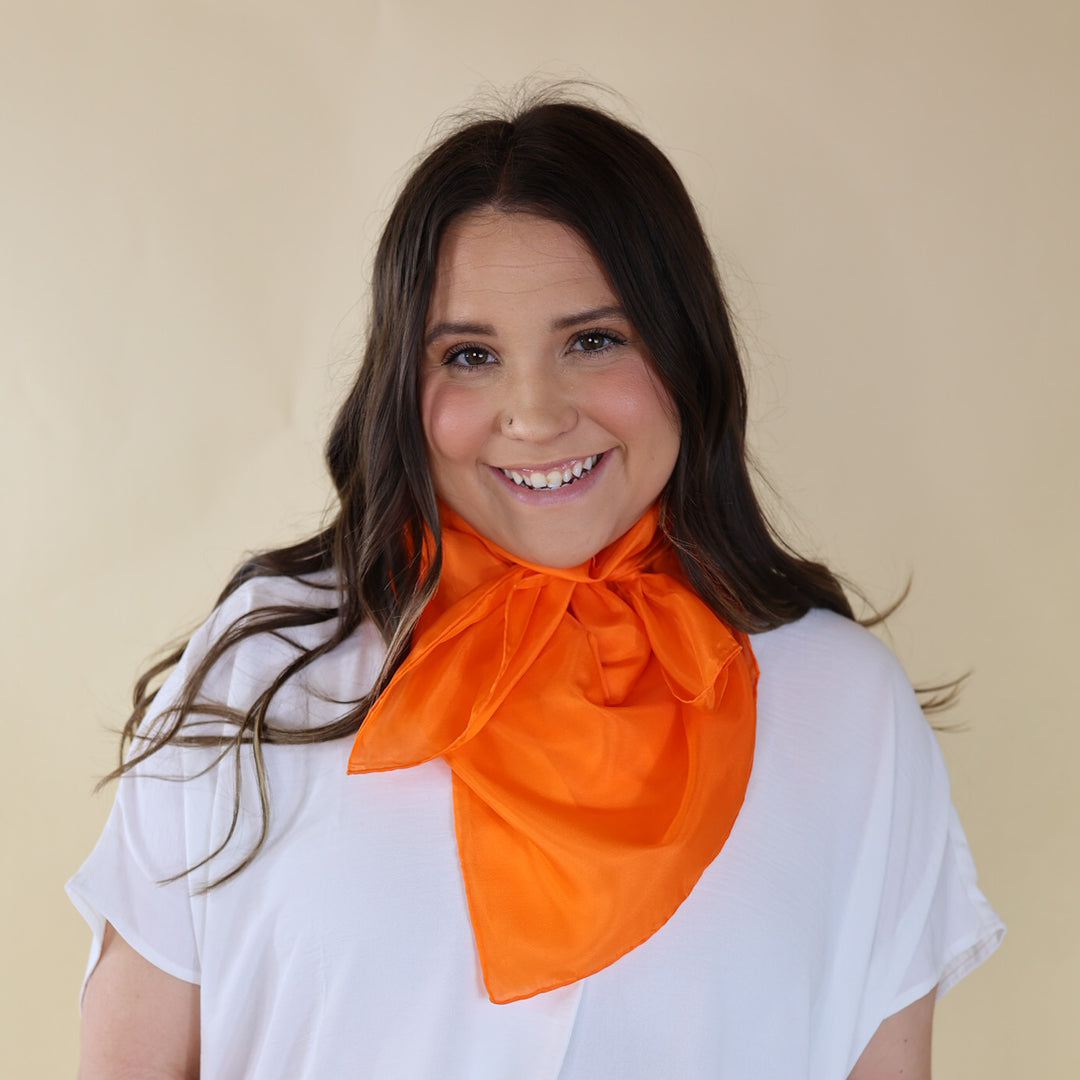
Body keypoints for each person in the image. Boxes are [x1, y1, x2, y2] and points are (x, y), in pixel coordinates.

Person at [68, 92, 1003, 1079]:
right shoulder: (261, 672)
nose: (534, 412)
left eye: (593, 340)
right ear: (403, 385)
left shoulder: (848, 707)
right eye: (469, 356)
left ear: (683, 353)